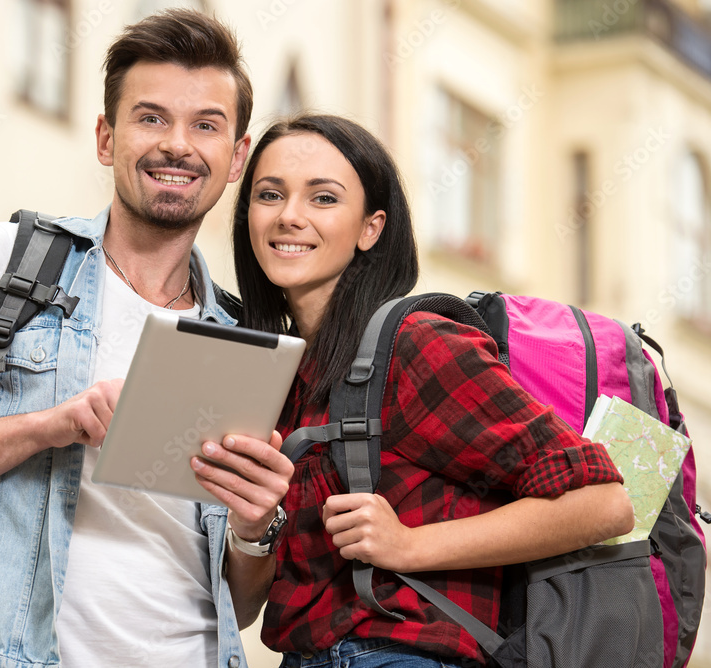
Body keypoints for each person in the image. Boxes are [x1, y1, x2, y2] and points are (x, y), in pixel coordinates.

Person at [0, 10, 293, 668]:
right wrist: (48, 427)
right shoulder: (5, 264)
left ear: (236, 158)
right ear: (107, 138)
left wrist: (254, 532)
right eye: (151, 118)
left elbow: (239, 603)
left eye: (206, 125)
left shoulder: (244, 341)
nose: (177, 145)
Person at [229, 114, 635, 667]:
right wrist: (252, 530)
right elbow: (245, 606)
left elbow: (604, 502)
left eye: (323, 199)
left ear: (371, 229)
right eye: (269, 194)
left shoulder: (416, 344)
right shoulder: (286, 376)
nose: (289, 216)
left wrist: (410, 545)